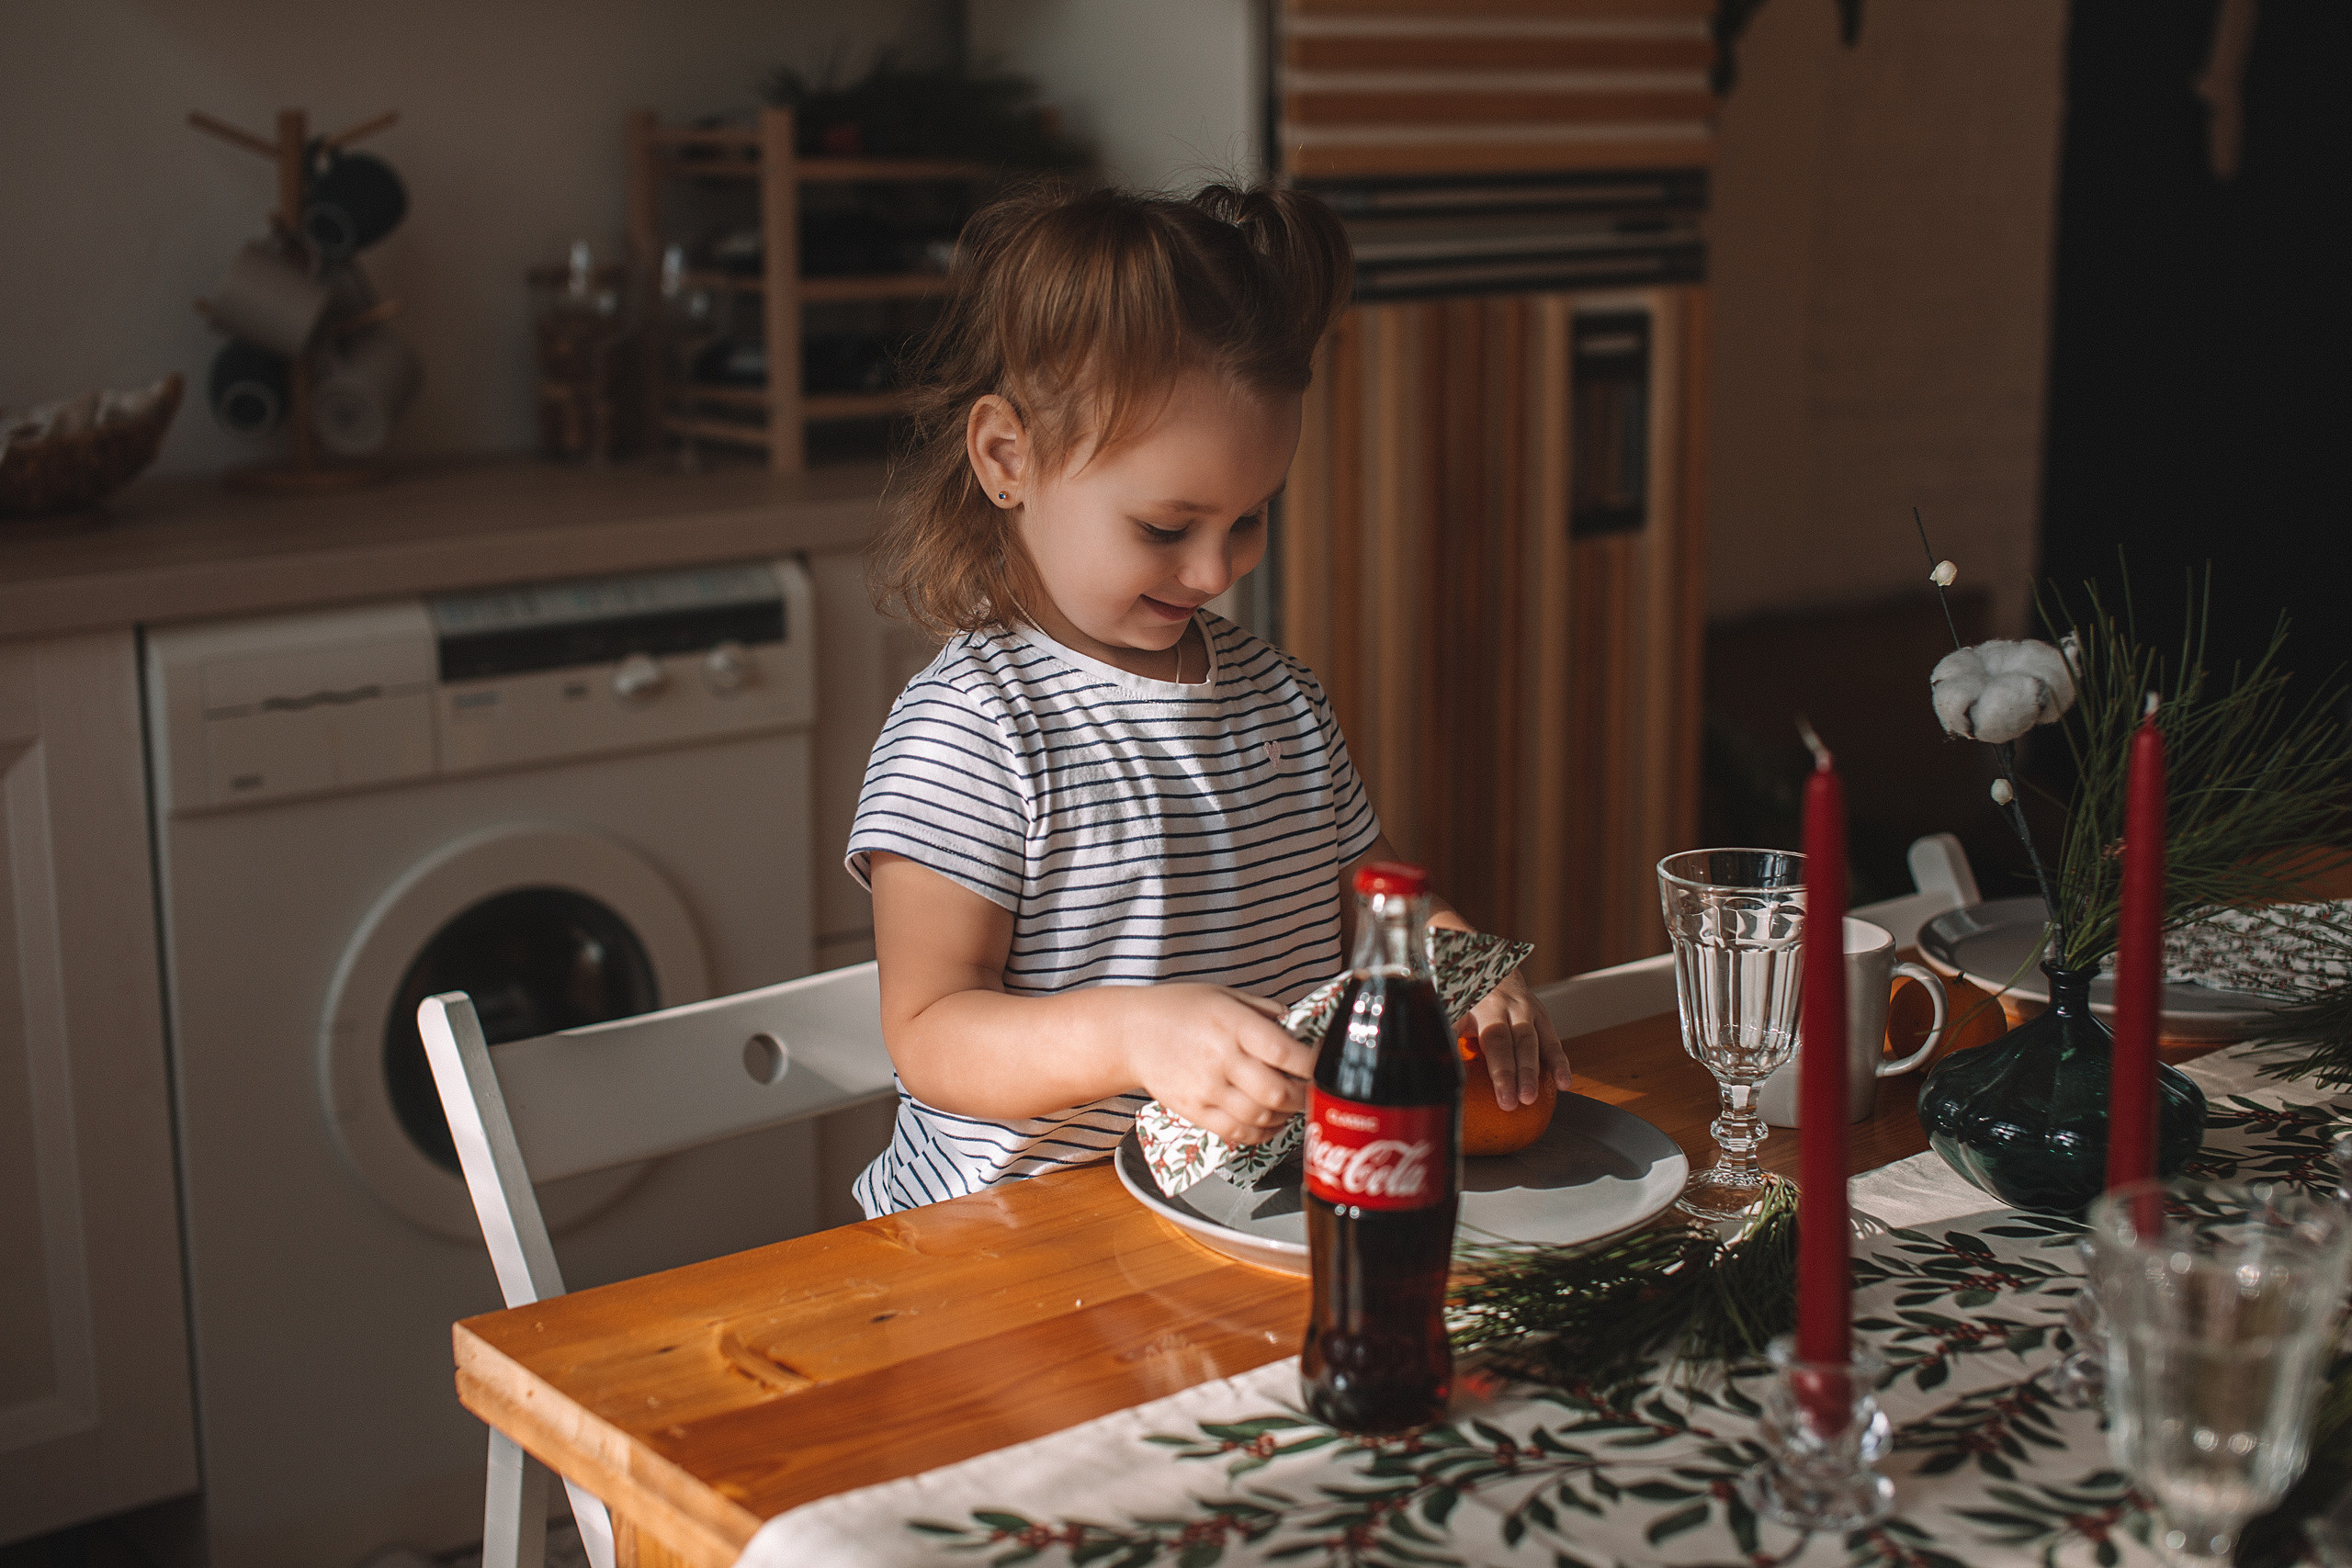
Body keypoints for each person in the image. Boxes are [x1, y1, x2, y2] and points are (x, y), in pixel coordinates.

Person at [845, 183, 1568, 1217]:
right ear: (1006, 458)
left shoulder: (1279, 699)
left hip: (1236, 1212)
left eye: (1248, 519)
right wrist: (1136, 1033)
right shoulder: (973, 729)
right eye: (1163, 526)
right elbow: (930, 1034)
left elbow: (1371, 906)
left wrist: (1453, 964)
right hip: (1003, 1239)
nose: (1213, 570)